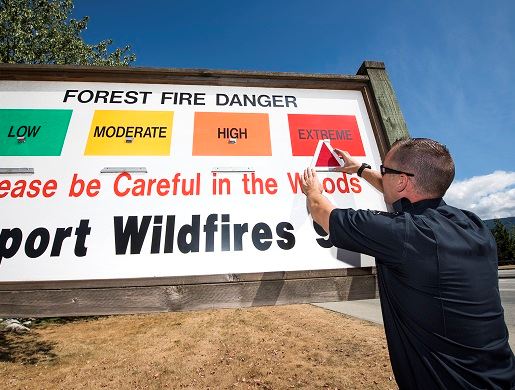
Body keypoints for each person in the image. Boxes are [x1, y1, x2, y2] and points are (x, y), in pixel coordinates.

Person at [300, 138, 515, 389]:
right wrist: (360, 169)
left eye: (384, 169)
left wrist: (312, 189)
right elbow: (399, 192)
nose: (381, 173)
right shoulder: (473, 225)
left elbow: (322, 211)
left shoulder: (407, 235)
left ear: (402, 180)